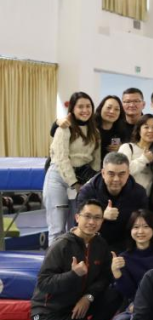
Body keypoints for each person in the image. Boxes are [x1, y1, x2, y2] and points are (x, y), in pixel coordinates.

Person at [27, 199, 124, 320]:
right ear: (77, 217)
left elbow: (104, 277)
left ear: (102, 220)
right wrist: (73, 275)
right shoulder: (61, 245)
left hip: (78, 304)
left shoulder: (100, 244)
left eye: (97, 218)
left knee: (114, 294)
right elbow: (43, 282)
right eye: (87, 216)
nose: (92, 222)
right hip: (51, 310)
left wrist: (88, 296)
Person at [44, 91, 101, 246]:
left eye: (88, 106)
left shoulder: (95, 132)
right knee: (57, 229)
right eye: (80, 107)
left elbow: (96, 162)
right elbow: (61, 158)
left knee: (77, 228)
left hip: (81, 180)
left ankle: (75, 260)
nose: (85, 110)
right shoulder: (64, 128)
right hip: (59, 178)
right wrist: (74, 183)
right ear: (72, 110)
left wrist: (90, 183)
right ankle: (54, 261)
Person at [75, 152, 149, 253]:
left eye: (121, 174)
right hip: (94, 245)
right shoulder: (87, 192)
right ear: (103, 173)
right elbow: (78, 224)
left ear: (128, 173)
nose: (116, 179)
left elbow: (144, 223)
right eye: (111, 174)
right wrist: (101, 216)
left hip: (127, 247)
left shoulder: (139, 193)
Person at [110, 210, 153, 305]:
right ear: (130, 230)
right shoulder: (124, 258)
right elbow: (128, 293)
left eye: (146, 226)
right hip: (139, 305)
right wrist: (116, 272)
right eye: (136, 227)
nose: (141, 231)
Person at [120, 114, 153, 195]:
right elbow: (121, 171)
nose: (150, 130)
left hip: (145, 199)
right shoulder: (127, 147)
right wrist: (144, 159)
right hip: (125, 196)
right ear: (139, 130)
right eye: (146, 127)